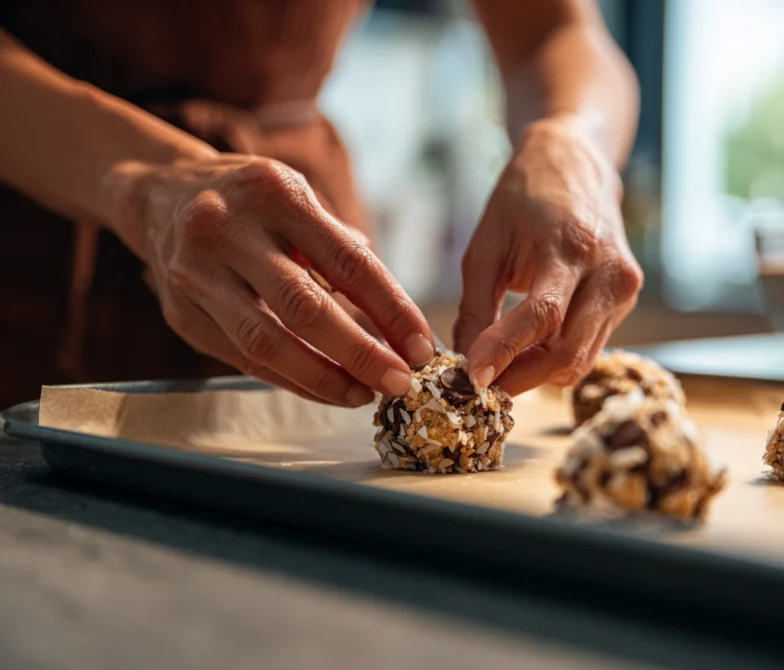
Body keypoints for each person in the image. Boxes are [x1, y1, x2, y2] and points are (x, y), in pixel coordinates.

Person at [0, 0, 643, 409]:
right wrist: (141, 180)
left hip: (297, 251)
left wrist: (573, 141)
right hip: (36, 217)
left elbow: (554, 31)